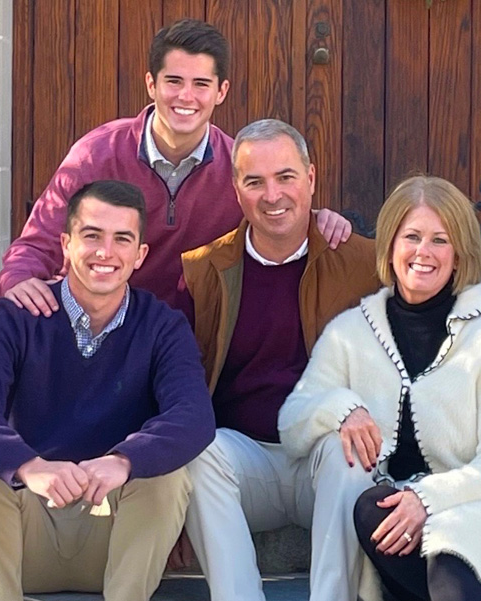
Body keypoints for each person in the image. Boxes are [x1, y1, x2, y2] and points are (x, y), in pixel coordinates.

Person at [279, 175, 481, 601]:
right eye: (412, 236)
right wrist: (342, 407)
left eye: (440, 240)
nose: (423, 252)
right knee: (372, 510)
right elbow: (292, 421)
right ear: (391, 245)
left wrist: (424, 498)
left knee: (450, 556)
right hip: (415, 516)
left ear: (459, 254)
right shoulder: (352, 332)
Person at [0, 180, 215, 601]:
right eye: (91, 236)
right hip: (26, 533)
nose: (105, 252)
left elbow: (193, 415)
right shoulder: (17, 317)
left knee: (167, 478)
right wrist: (30, 466)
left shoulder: (162, 326)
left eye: (122, 239)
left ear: (140, 254)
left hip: (115, 536)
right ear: (66, 244)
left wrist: (124, 460)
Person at [0, 18, 351, 319]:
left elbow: (273, 213)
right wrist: (18, 279)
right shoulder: (96, 154)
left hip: (183, 340)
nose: (186, 97)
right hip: (94, 326)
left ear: (221, 91)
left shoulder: (238, 166)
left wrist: (316, 219)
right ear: (151, 84)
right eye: (174, 82)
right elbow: (37, 245)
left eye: (201, 84)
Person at [179, 118, 381, 601]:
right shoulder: (204, 269)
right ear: (236, 189)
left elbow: (432, 290)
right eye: (255, 181)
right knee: (196, 450)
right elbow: (177, 376)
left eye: (286, 177)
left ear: (311, 178)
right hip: (244, 461)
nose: (273, 195)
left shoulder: (361, 263)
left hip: (326, 460)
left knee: (350, 448)